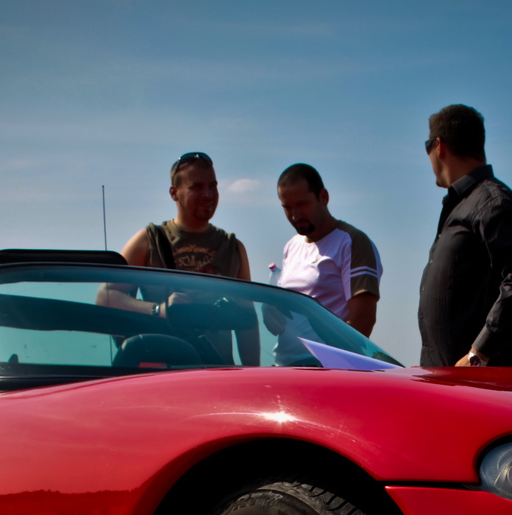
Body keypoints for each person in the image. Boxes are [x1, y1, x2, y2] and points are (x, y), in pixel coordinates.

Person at [98, 151, 257, 364]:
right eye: (197, 187)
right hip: (165, 377)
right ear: (174, 193)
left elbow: (247, 321)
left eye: (213, 186)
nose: (208, 194)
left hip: (219, 375)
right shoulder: (150, 240)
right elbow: (106, 297)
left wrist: (253, 375)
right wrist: (159, 310)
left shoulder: (233, 248)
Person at [416, 104, 512, 367]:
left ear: (439, 146)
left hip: (483, 389)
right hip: (452, 384)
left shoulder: (491, 201)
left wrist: (477, 356)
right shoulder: (464, 204)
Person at [275, 163, 382, 337]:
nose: (295, 215)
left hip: (326, 363)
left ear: (323, 197)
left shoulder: (351, 242)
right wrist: (271, 314)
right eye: (287, 207)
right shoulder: (291, 246)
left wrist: (336, 361)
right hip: (284, 362)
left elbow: (363, 320)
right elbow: (279, 321)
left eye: (302, 204)